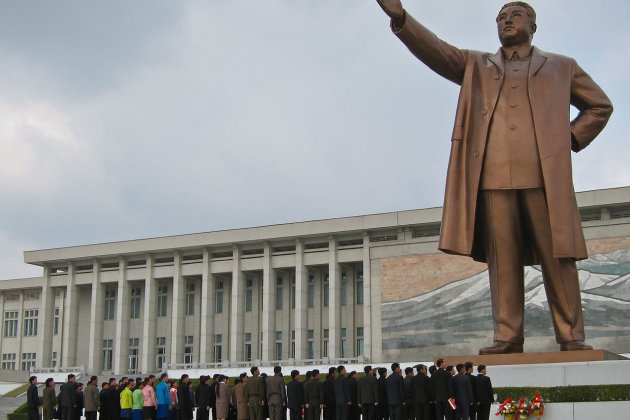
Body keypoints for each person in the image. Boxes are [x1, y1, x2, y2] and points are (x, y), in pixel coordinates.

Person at [375, 0, 613, 354]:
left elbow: (599, 105)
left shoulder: (562, 67)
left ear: (533, 25)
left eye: (514, 15)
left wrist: (570, 137)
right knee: (502, 259)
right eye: (500, 17)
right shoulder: (476, 65)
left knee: (557, 256)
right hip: (492, 179)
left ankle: (571, 336)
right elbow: (437, 51)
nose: (506, 21)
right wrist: (401, 18)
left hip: (544, 176)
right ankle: (507, 336)